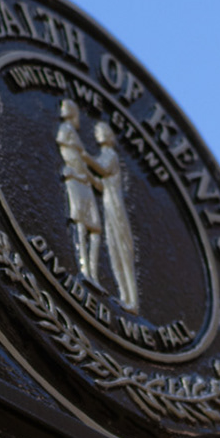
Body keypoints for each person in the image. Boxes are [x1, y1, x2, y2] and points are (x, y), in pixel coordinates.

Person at [89, 119, 139, 312]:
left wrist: (81, 154)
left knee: (123, 252)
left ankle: (133, 301)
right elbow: (102, 185)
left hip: (116, 208)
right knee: (113, 252)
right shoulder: (104, 154)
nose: (98, 134)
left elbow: (102, 169)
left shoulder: (110, 155)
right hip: (108, 205)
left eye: (101, 130)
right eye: (97, 131)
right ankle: (125, 297)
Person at [55, 100, 104, 291]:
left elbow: (81, 160)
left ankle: (92, 274)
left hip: (83, 181)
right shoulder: (66, 131)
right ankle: (85, 271)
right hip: (75, 180)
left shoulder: (72, 133)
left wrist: (92, 180)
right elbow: (72, 158)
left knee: (95, 229)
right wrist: (83, 176)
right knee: (81, 224)